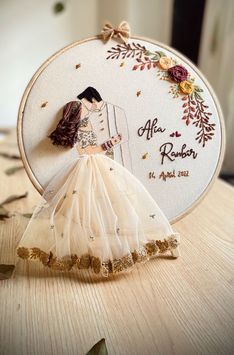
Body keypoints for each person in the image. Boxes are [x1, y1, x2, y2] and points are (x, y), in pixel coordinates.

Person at [17, 86, 180, 277]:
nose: (93, 108)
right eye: (91, 105)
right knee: (101, 204)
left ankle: (122, 238)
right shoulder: (81, 123)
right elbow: (86, 150)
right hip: (92, 165)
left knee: (112, 201)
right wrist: (110, 142)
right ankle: (106, 247)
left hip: (96, 164)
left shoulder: (84, 121)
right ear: (87, 105)